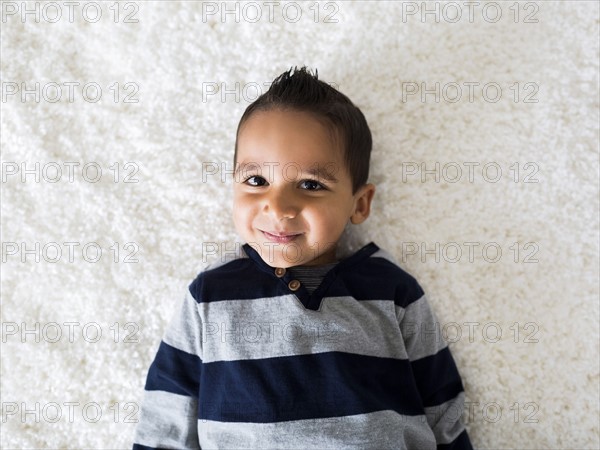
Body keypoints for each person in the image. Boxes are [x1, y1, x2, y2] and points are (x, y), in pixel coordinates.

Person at [133, 67, 473, 449]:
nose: (278, 207)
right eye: (256, 181)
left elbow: (443, 410)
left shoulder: (392, 291)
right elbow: (165, 416)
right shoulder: (210, 295)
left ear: (359, 204)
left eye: (310, 185)